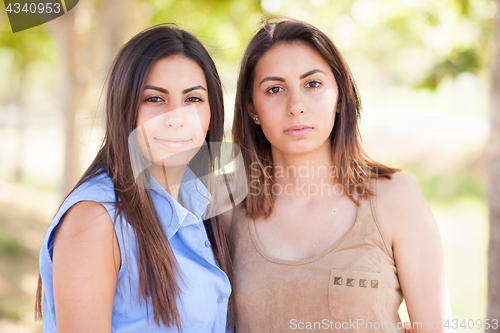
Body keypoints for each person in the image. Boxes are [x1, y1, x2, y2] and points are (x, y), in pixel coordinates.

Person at [228, 18, 453, 332]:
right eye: (275, 89)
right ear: (252, 107)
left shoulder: (395, 198)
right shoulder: (224, 205)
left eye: (313, 84)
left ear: (339, 96)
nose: (296, 106)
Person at [36, 24, 235, 333]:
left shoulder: (203, 201)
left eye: (193, 100)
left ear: (212, 111)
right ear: (125, 107)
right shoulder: (96, 219)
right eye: (155, 99)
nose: (177, 118)